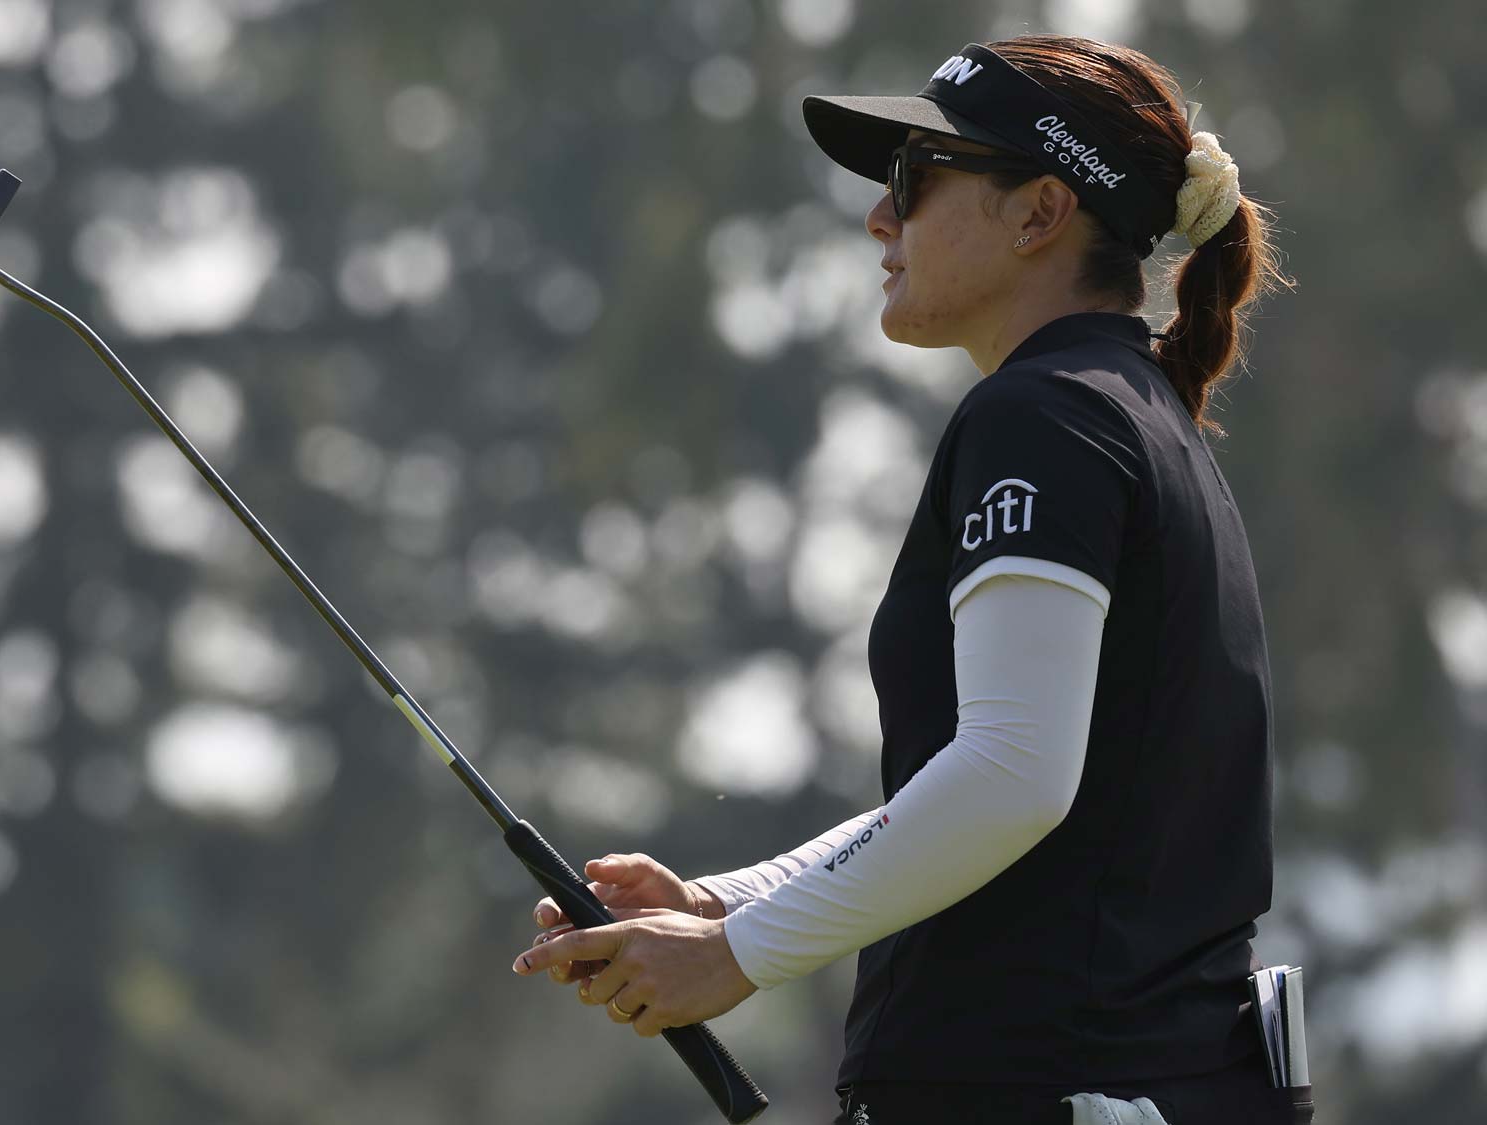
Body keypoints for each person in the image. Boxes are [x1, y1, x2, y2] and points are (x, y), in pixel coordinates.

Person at [511, 34, 1307, 1125]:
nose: (879, 218)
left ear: (1037, 213)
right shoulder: (1122, 409)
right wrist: (721, 903)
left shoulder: (1046, 415)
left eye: (916, 180)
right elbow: (982, 777)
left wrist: (733, 956)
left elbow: (1010, 774)